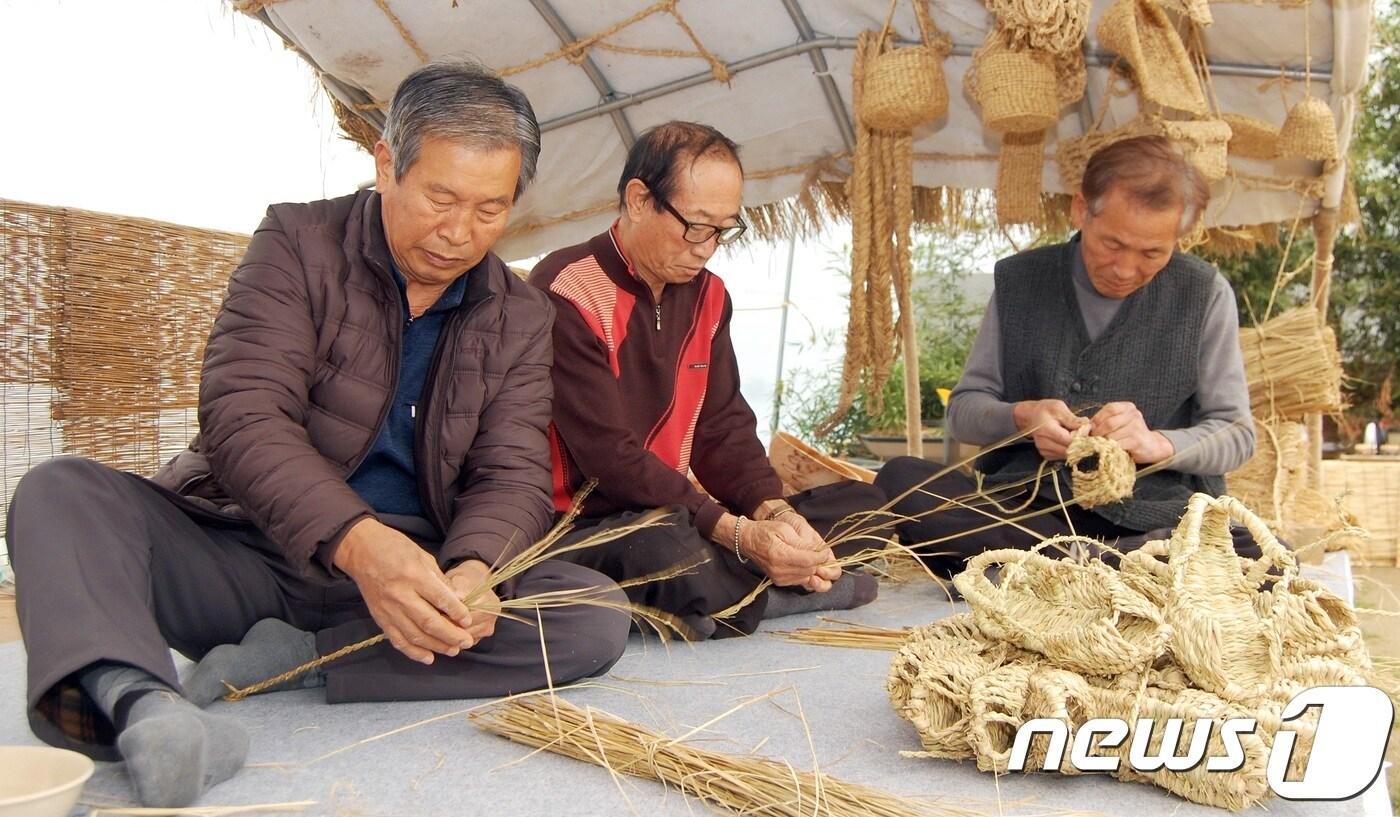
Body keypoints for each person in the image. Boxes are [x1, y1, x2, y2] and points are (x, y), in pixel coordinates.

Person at [6, 60, 629, 807]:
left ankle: (302, 659)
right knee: (61, 492)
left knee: (592, 613)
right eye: (440, 196)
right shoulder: (298, 241)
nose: (459, 231)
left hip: (409, 586)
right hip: (253, 549)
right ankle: (143, 703)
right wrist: (359, 543)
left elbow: (514, 472)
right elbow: (242, 414)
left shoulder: (520, 315)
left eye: (490, 208)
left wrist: (475, 571)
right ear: (387, 163)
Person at [529, 122, 889, 639]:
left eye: (723, 229)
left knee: (865, 510)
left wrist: (773, 512)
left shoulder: (710, 297)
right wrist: (735, 533)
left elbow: (723, 427)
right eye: (695, 225)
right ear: (637, 199)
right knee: (669, 551)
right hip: (592, 523)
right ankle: (783, 586)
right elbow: (611, 460)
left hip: (683, 510)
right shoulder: (566, 290)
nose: (707, 247)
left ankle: (763, 582)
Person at [875, 135, 1258, 576]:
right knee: (902, 481)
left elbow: (1236, 434)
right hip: (1029, 512)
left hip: (1159, 517)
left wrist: (1158, 443)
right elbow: (963, 412)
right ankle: (1103, 567)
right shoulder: (1020, 281)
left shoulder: (1203, 293)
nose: (1125, 269)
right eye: (1112, 244)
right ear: (1081, 210)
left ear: (1178, 236)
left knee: (1263, 554)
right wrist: (1022, 418)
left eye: (1152, 253)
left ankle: (1058, 568)